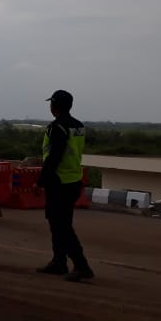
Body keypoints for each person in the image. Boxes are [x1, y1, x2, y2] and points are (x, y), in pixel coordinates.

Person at [36, 90, 94, 282]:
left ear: (55, 106)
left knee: (61, 226)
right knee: (60, 223)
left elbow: (54, 157)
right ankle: (59, 262)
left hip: (58, 182)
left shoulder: (57, 127)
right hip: (74, 180)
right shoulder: (78, 126)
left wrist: (41, 181)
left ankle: (81, 266)